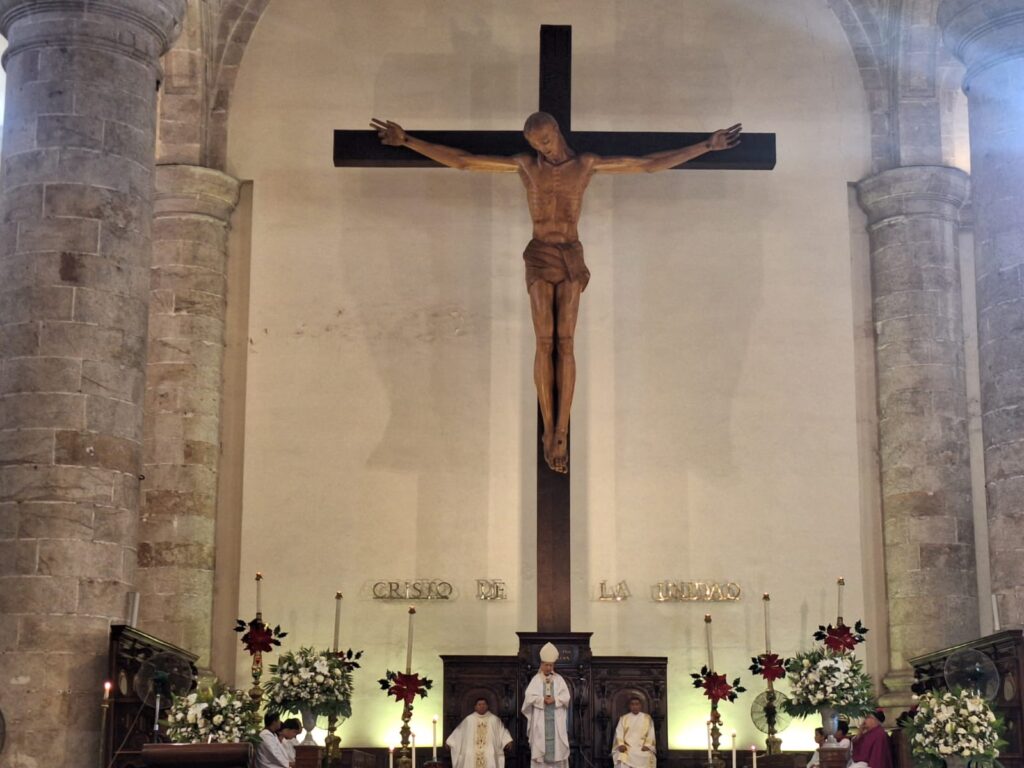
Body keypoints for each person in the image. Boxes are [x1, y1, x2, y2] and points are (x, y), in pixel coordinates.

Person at [371, 114, 741, 473]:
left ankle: (561, 429)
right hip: (539, 254)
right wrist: (407, 141)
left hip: (570, 254)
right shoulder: (526, 166)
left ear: (557, 132)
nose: (543, 149)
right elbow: (465, 162)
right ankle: (548, 427)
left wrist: (707, 146)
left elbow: (647, 165)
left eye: (546, 141)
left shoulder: (586, 165)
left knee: (566, 342)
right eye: (536, 144)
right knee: (543, 342)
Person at [522, 642, 571, 768]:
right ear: (541, 664)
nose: (549, 668)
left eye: (551, 665)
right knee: (540, 753)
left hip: (556, 722)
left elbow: (566, 697)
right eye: (546, 665)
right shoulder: (536, 680)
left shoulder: (559, 680)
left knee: (558, 752)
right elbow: (528, 698)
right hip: (540, 721)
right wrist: (541, 700)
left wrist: (555, 700)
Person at [446, 697, 513, 768]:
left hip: (489, 748)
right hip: (471, 748)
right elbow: (459, 732)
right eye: (479, 704)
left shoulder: (494, 719)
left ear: (487, 706)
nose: (482, 706)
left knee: (491, 754)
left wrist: (508, 741)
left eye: (484, 704)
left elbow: (502, 731)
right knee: (469, 754)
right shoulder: (469, 719)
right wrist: (450, 742)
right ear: (475, 707)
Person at [612, 696, 656, 768]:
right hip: (627, 747)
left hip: (642, 747)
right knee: (621, 756)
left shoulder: (647, 718)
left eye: (637, 704)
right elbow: (619, 732)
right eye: (632, 704)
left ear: (640, 706)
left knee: (648, 756)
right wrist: (621, 744)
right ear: (629, 706)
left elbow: (651, 733)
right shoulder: (624, 718)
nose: (635, 706)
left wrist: (647, 745)